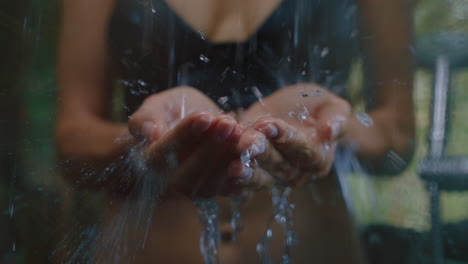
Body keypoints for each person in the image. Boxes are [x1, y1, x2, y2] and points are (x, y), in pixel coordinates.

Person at [55, 0, 415, 263]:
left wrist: (333, 129)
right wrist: (145, 141)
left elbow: (397, 133)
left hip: (316, 248)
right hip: (148, 250)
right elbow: (72, 140)